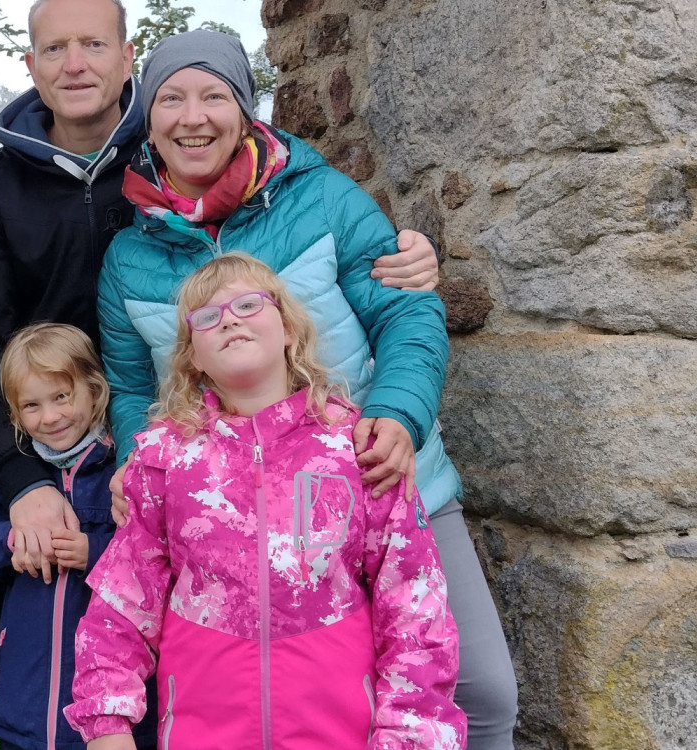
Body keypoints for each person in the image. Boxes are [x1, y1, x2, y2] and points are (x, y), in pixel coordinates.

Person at [0, 2, 441, 747]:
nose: (74, 63)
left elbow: (350, 291)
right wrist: (22, 482)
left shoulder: (178, 170)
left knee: (183, 651)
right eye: (55, 48)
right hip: (63, 439)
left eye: (92, 45)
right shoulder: (0, 188)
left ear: (126, 61)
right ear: (32, 66)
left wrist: (409, 266)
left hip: (248, 449)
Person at [97, 29, 519, 749]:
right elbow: (133, 385)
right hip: (225, 514)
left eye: (214, 95)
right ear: (147, 118)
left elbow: (408, 311)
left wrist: (398, 416)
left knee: (477, 690)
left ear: (245, 109)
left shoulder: (322, 199)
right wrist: (136, 463)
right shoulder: (129, 256)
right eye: (171, 98)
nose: (192, 116)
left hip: (378, 475)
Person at [65, 254, 466, 749]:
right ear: (193, 357)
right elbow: (123, 599)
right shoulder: (164, 460)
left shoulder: (357, 448)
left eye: (249, 304)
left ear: (289, 329)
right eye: (207, 317)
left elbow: (414, 606)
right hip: (201, 730)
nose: (229, 318)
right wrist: (106, 725)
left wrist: (410, 736)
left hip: (340, 732)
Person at [0, 324, 157, 750]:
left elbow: (158, 552)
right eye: (31, 405)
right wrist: (15, 542)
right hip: (22, 696)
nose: (49, 417)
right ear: (14, 413)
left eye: (61, 397)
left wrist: (95, 551)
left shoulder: (116, 469)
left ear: (94, 389)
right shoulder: (20, 477)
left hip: (106, 696)